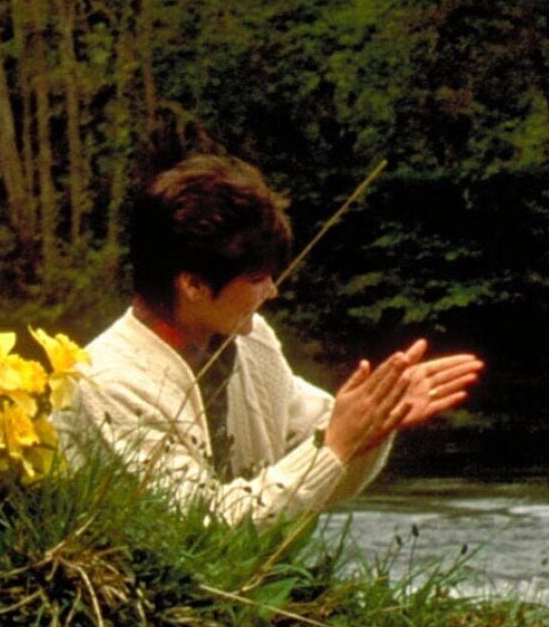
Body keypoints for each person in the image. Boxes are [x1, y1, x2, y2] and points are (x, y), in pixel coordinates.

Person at [60, 155, 482, 524]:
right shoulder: (109, 381)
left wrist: (376, 420)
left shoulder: (250, 338)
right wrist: (337, 445)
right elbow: (201, 531)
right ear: (193, 284)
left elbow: (317, 447)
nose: (272, 292)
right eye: (258, 279)